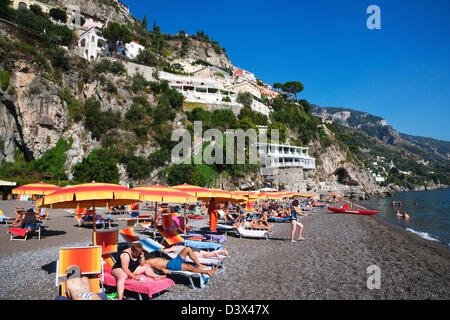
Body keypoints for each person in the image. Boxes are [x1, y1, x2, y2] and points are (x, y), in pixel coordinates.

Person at [145, 246, 218, 276]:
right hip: (170, 265)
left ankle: (199, 264)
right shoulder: (147, 261)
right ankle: (208, 272)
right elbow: (155, 266)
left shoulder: (151, 256)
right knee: (189, 266)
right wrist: (163, 269)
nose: (147, 253)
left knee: (187, 249)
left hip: (172, 261)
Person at [163, 245, 229, 260]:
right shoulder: (179, 245)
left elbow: (166, 251)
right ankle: (223, 251)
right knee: (206, 252)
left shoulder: (175, 248)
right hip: (193, 249)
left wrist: (162, 250)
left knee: (204, 256)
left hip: (190, 252)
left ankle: (215, 255)